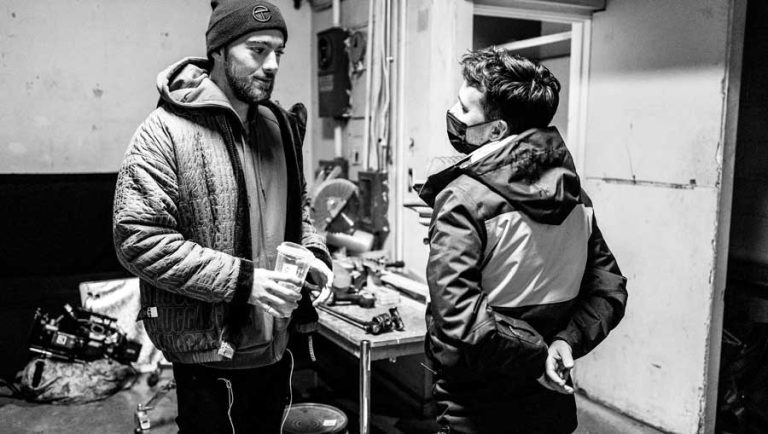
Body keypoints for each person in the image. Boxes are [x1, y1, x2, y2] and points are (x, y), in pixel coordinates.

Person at [112, 1, 333, 432]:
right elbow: (138, 240)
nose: (271, 65)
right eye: (257, 50)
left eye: (278, 53)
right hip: (210, 357)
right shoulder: (165, 131)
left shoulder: (281, 127)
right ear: (219, 51)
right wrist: (245, 281)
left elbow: (298, 209)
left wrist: (315, 256)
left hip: (277, 349)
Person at [419, 47, 628, 434]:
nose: (453, 112)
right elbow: (609, 291)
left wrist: (538, 358)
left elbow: (461, 320)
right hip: (551, 398)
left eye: (464, 110)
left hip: (476, 406)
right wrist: (563, 344)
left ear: (497, 131)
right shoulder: (577, 199)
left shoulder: (462, 197)